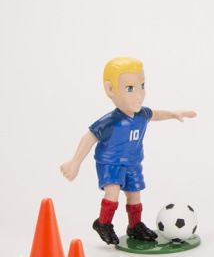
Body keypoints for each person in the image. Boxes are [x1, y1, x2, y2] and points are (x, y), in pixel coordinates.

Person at [60, 57, 196, 245]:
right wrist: (75, 162)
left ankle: (134, 225)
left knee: (134, 193)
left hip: (133, 163)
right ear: (111, 90)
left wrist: (174, 114)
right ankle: (103, 223)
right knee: (113, 192)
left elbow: (155, 114)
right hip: (111, 163)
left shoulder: (142, 114)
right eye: (130, 88)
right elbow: (89, 137)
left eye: (142, 86)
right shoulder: (110, 121)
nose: (139, 95)